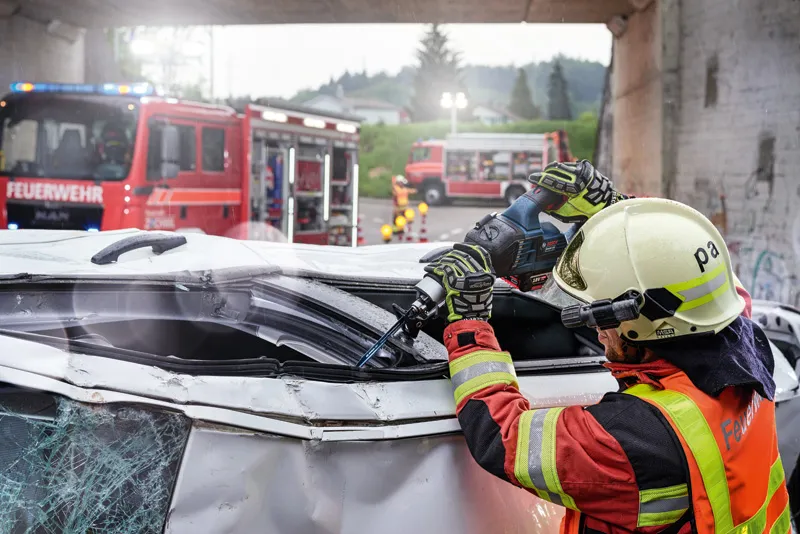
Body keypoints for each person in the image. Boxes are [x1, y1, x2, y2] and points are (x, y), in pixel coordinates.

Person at [424, 160, 790, 534]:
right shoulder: (748, 343)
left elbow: (504, 437)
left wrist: (468, 321)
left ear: (642, 323)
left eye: (601, 316)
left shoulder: (631, 437)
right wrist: (613, 210)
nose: (596, 330)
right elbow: (688, 272)